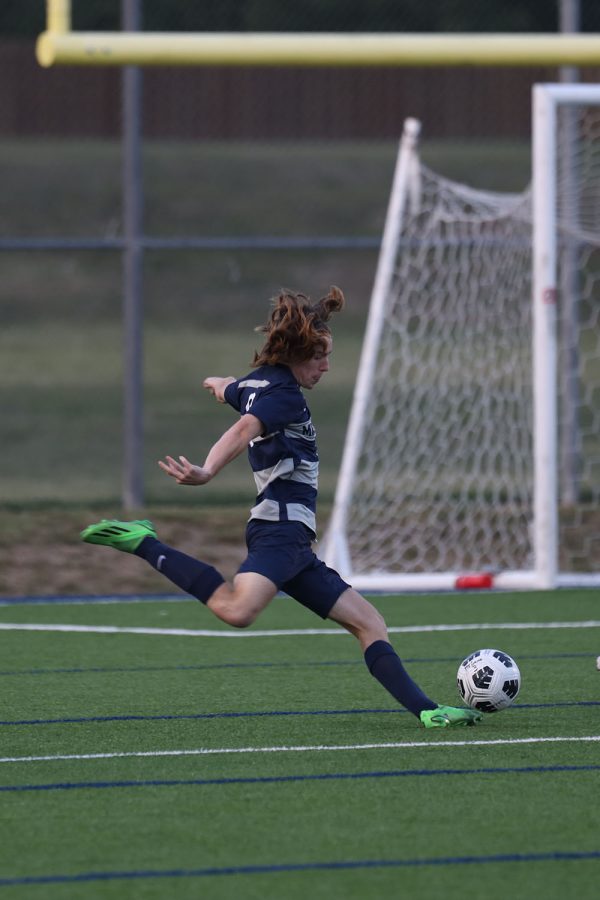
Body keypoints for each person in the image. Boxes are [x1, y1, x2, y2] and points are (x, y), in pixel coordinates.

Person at [81, 286, 482, 729]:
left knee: (370, 623)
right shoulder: (283, 396)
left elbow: (233, 390)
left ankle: (429, 711)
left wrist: (219, 384)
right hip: (280, 532)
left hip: (296, 544)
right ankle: (145, 543)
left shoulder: (258, 384)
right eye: (318, 357)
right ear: (294, 355)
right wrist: (208, 470)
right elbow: (243, 428)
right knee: (237, 611)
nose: (326, 367)